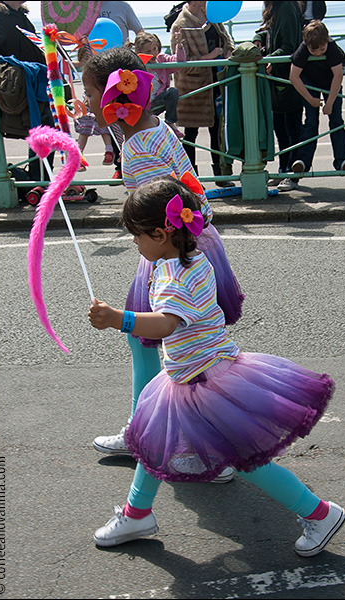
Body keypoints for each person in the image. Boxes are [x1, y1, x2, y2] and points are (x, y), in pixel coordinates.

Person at [87, 175, 345, 553]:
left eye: (136, 235)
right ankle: (138, 513)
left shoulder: (175, 275)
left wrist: (118, 319)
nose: (134, 242)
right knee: (150, 442)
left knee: (248, 461)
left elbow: (165, 324)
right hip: (192, 374)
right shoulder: (189, 259)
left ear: (161, 234)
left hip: (205, 382)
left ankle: (320, 513)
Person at [81, 47, 244, 483]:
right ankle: (151, 434)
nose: (85, 99)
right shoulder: (149, 128)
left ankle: (185, 443)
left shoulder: (138, 148)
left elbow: (156, 218)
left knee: (174, 349)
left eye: (90, 90)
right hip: (184, 242)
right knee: (171, 348)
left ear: (114, 96)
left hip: (173, 250)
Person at [170, 1, 236, 186]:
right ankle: (191, 180)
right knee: (190, 135)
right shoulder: (181, 24)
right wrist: (209, 57)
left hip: (218, 82)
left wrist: (228, 52)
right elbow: (181, 63)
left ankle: (221, 176)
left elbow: (227, 40)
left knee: (217, 131)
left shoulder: (213, 17)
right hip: (194, 88)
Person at [0, 0, 54, 182]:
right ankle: (36, 179)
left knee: (44, 129)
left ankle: (37, 178)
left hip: (36, 85)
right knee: (43, 127)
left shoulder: (21, 15)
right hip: (19, 88)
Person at [289, 20, 345, 175]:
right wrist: (310, 99)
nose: (318, 53)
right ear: (307, 44)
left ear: (326, 41)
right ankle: (303, 161)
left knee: (336, 120)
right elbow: (293, 76)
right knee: (311, 121)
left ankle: (342, 159)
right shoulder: (303, 48)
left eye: (322, 49)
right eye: (314, 51)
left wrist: (329, 102)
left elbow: (338, 75)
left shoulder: (332, 48)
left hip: (331, 82)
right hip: (309, 82)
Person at [253, 1, 304, 192]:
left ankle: (292, 173)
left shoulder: (286, 8)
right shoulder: (276, 8)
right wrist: (259, 37)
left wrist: (271, 60)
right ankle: (284, 169)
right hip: (278, 78)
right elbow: (267, 31)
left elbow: (290, 45)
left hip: (287, 77)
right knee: (280, 127)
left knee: (291, 127)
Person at [98, 1, 144, 179]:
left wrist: (137, 48)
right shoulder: (86, 9)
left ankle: (131, 163)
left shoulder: (122, 6)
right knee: (109, 117)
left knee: (126, 115)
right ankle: (120, 165)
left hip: (122, 70)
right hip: (100, 70)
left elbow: (139, 31)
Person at [131, 30, 185, 139]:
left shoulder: (161, 59)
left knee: (173, 92)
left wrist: (179, 46)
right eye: (148, 51)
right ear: (140, 52)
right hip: (142, 104)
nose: (152, 53)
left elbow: (178, 62)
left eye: (154, 49)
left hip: (157, 101)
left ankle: (170, 123)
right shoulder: (137, 64)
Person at [73, 46, 114, 171]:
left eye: (91, 56)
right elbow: (66, 63)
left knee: (105, 126)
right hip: (86, 102)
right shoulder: (82, 68)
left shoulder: (98, 70)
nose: (88, 60)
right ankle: (78, 156)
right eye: (85, 58)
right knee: (83, 129)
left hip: (98, 100)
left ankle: (109, 151)